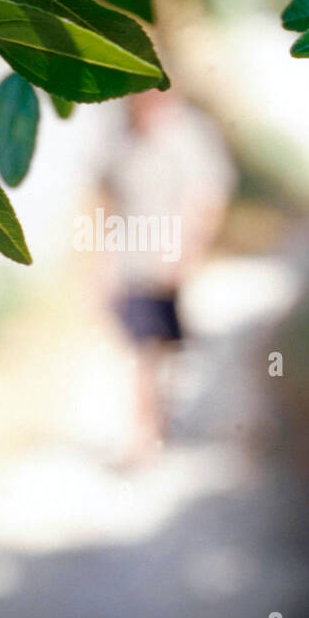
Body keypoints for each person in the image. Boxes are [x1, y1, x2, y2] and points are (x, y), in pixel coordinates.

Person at [99, 89, 236, 463]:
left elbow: (207, 196)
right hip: (132, 260)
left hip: (166, 261)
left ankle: (156, 422)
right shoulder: (123, 137)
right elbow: (106, 195)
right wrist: (102, 259)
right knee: (141, 346)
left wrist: (187, 251)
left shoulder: (188, 136)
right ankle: (144, 433)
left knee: (159, 344)